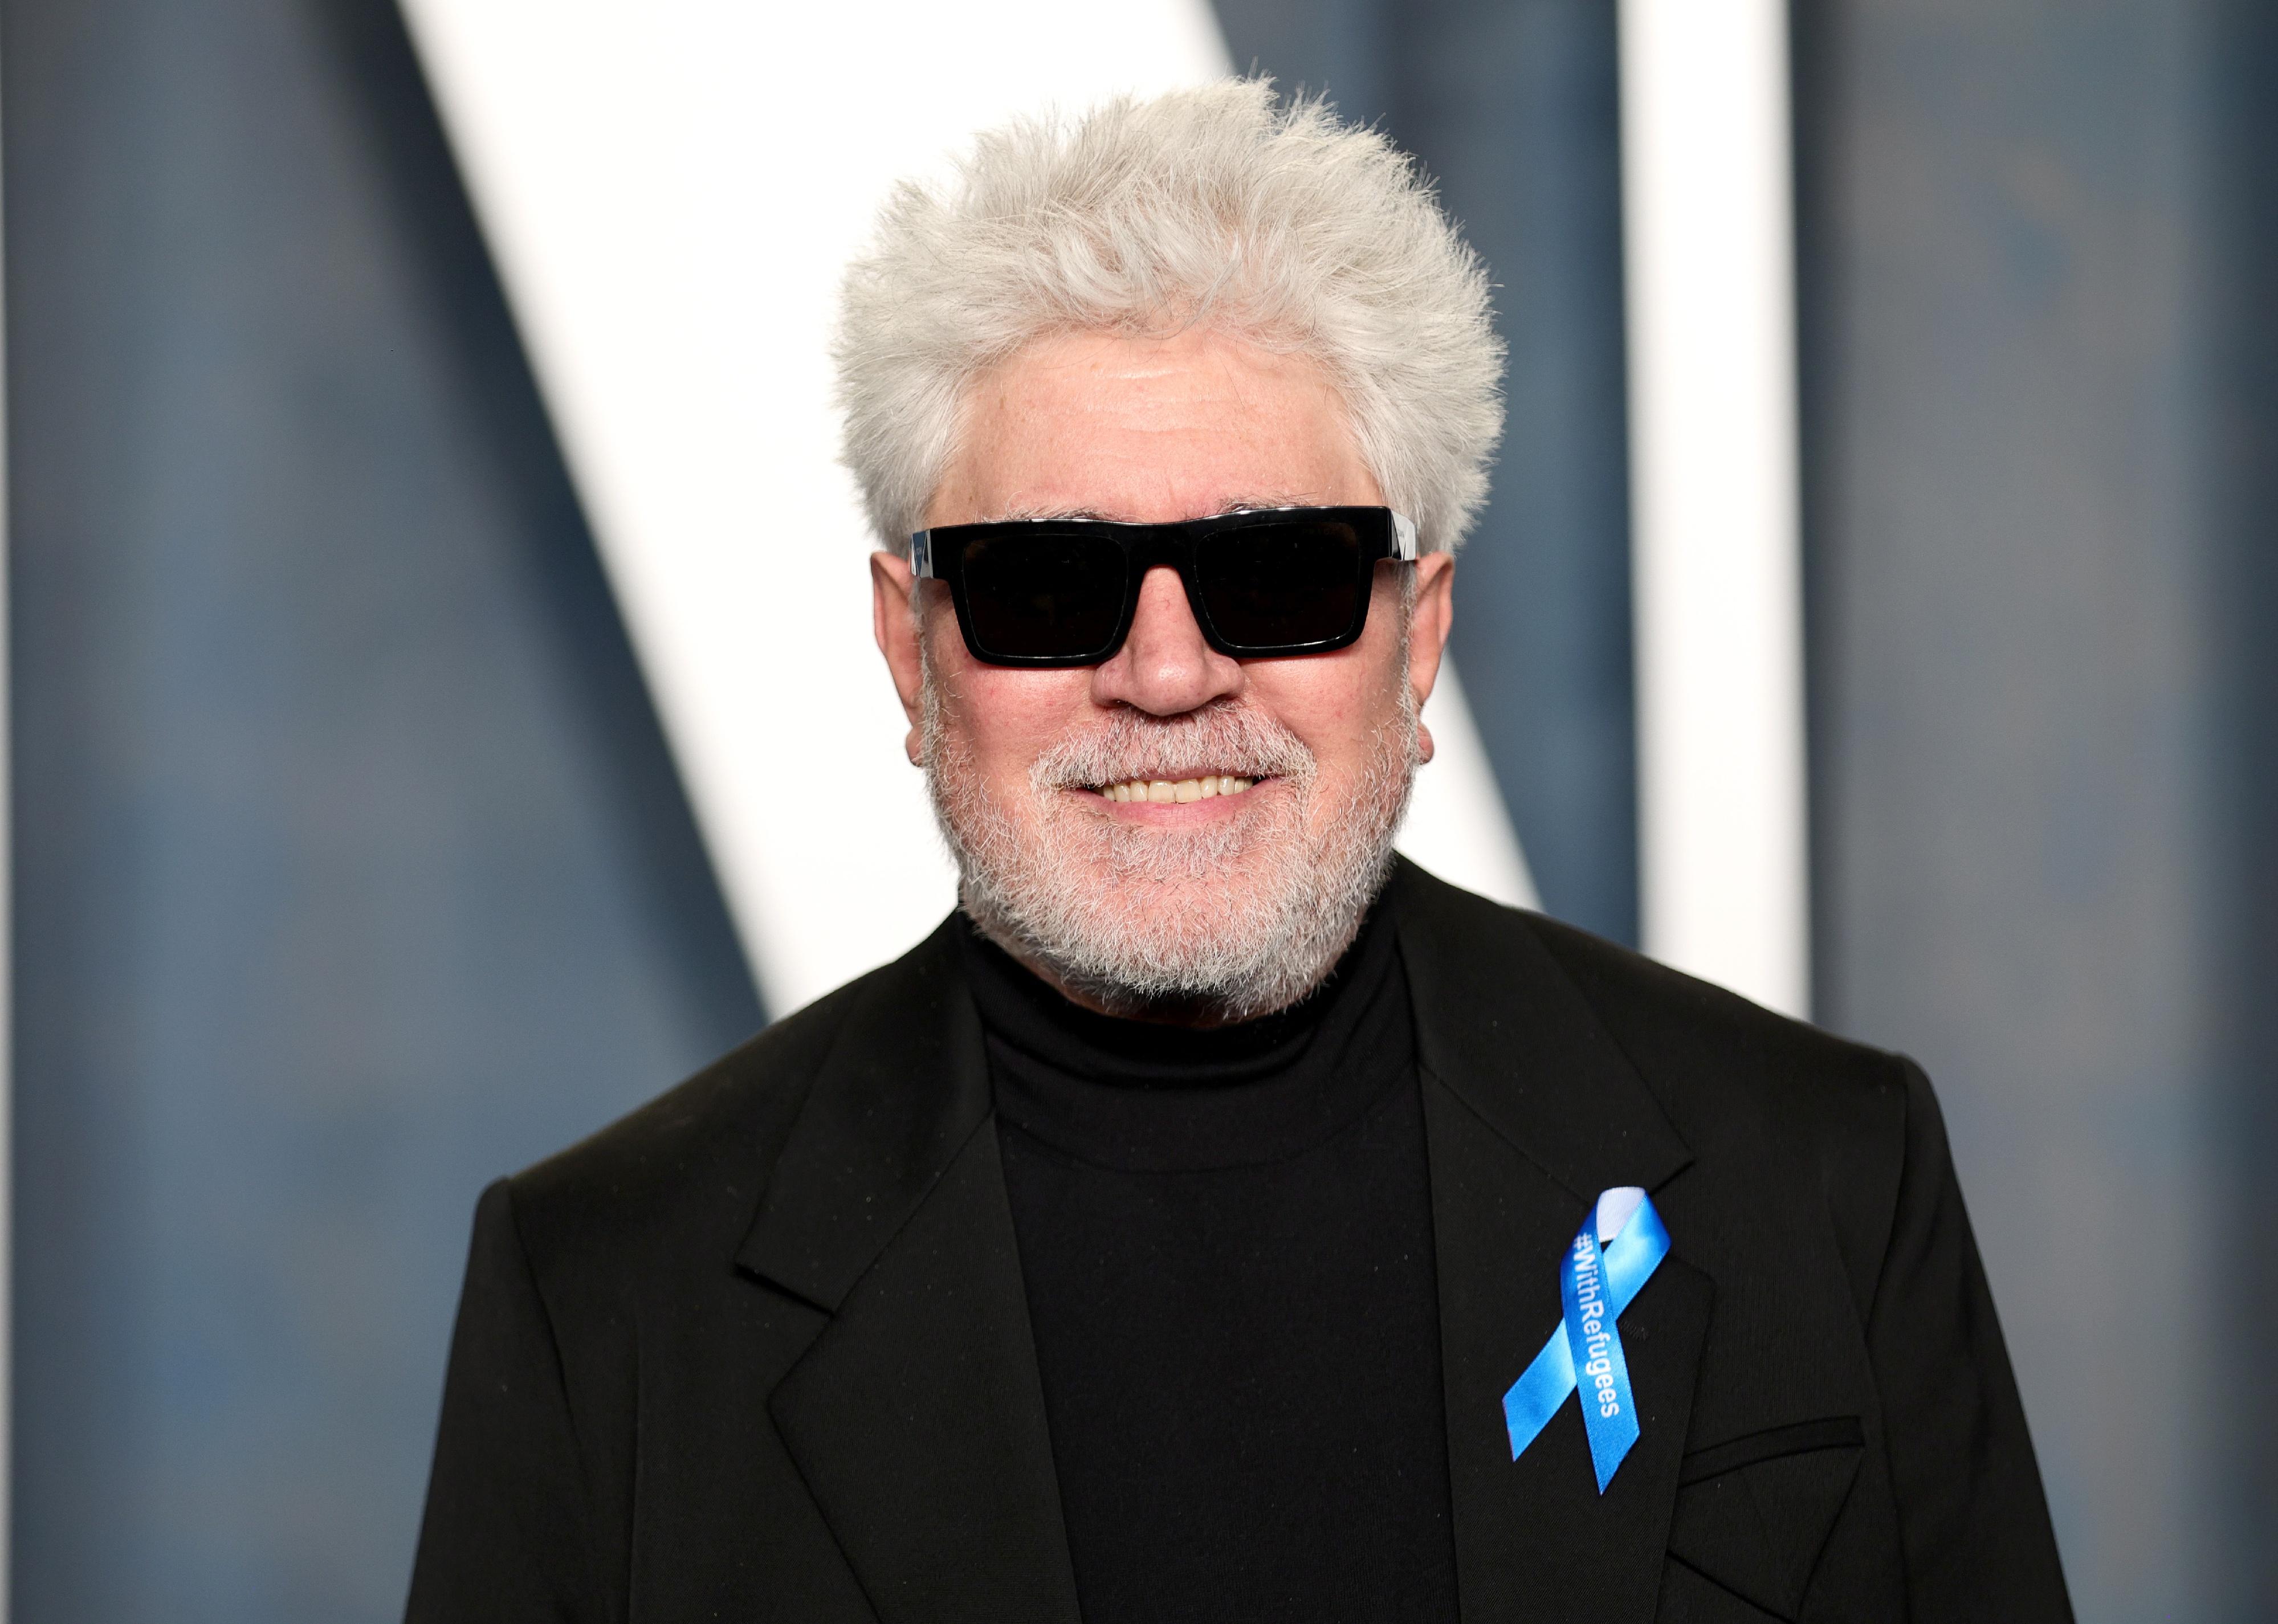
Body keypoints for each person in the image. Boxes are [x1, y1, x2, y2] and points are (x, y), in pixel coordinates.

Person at [406, 81, 2071, 1624]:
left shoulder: (1823, 1184)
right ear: (914, 653)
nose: (1168, 671)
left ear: (1414, 640)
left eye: (1272, 573)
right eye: (1050, 589)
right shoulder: (614, 1299)